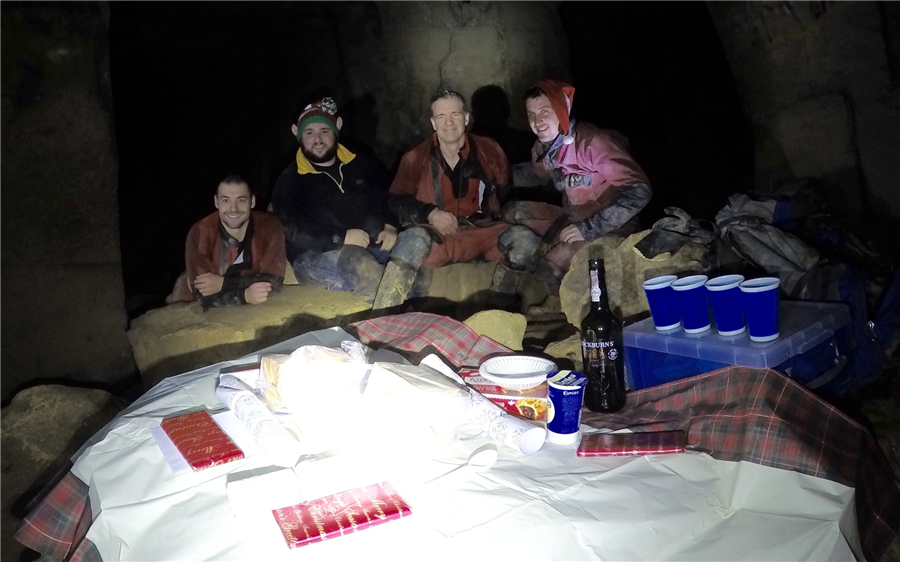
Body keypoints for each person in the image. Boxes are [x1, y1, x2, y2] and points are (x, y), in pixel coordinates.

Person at [372, 90, 539, 310]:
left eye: (455, 114)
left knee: (525, 240)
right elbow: (396, 199)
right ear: (433, 123)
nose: (448, 122)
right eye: (441, 116)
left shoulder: (489, 150)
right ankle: (384, 313)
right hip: (438, 236)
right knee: (411, 241)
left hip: (481, 233)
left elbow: (503, 186)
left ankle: (499, 309)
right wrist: (430, 213)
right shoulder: (415, 158)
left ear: (466, 118)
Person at [501, 80, 652, 292]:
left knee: (551, 266)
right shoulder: (544, 148)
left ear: (562, 110)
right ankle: (537, 251)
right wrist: (495, 175)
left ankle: (561, 302)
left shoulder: (593, 143)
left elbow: (639, 190)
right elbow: (536, 175)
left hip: (612, 225)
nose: (537, 121)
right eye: (531, 114)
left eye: (545, 111)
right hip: (573, 218)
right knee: (512, 211)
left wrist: (589, 228)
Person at [271, 97, 398, 302]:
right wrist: (340, 237)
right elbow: (292, 228)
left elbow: (388, 196)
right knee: (361, 266)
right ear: (297, 133)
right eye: (309, 132)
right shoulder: (290, 180)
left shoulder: (361, 163)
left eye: (324, 130)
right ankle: (381, 313)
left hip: (370, 244)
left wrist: (391, 224)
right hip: (315, 255)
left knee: (414, 244)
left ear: (337, 127)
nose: (317, 139)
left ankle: (414, 311)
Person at [168, 175, 286, 309]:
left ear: (252, 201)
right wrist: (244, 296)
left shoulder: (269, 226)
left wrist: (224, 283)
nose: (233, 208)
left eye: (241, 200)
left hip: (240, 295)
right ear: (216, 202)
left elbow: (274, 281)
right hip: (188, 302)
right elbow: (202, 293)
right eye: (225, 200)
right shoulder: (200, 232)